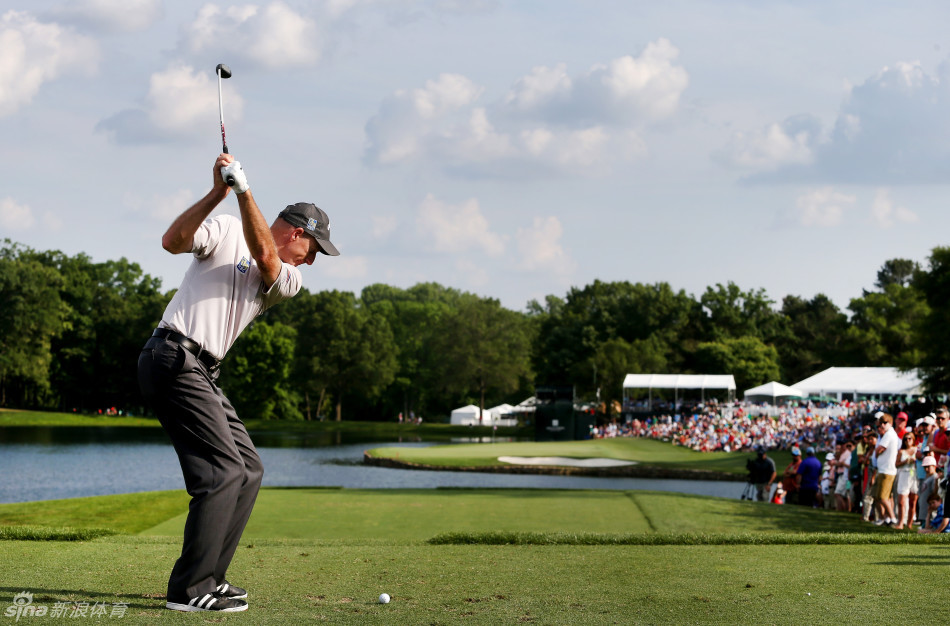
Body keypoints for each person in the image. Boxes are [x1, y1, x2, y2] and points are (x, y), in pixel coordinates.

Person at [137, 154, 340, 613]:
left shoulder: (287, 279)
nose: (311, 262)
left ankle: (211, 577)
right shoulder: (227, 226)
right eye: (314, 250)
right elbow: (172, 241)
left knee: (248, 469)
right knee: (221, 472)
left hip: (202, 370)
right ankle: (188, 591)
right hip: (171, 355)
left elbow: (265, 256)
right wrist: (219, 193)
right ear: (298, 234)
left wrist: (246, 190)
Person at [872, 413, 900, 526]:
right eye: (881, 423)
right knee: (877, 496)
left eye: (885, 423)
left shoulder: (889, 434)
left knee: (883, 497)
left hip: (887, 470)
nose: (882, 425)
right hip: (883, 469)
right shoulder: (887, 434)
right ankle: (884, 518)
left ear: (890, 423)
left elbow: (879, 449)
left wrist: (878, 453)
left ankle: (892, 518)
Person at [894, 431, 918, 529]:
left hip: (914, 475)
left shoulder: (917, 450)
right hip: (903, 474)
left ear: (913, 439)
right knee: (901, 501)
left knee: (913, 501)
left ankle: (909, 523)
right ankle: (900, 522)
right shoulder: (901, 451)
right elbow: (896, 464)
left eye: (910, 438)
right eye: (905, 439)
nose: (907, 441)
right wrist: (906, 461)